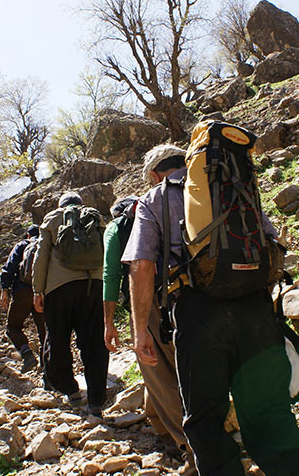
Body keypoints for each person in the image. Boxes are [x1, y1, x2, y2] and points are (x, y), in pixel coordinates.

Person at [123, 142, 299, 476]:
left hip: (198, 314)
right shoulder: (236, 185)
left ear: (155, 174)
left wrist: (141, 329)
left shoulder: (155, 198)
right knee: (270, 410)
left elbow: (141, 267)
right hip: (255, 306)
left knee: (203, 419)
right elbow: (272, 246)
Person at [104, 179, 190, 460]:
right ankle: (160, 425)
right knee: (167, 367)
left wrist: (109, 321)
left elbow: (112, 274)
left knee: (159, 371)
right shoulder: (164, 205)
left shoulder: (117, 228)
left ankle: (187, 444)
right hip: (179, 293)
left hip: (145, 302)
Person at [32, 191, 109, 417]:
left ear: (61, 205)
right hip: (94, 285)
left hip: (59, 288)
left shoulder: (53, 218)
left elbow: (41, 254)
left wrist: (38, 289)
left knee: (57, 340)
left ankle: (70, 390)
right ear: (80, 204)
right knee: (95, 342)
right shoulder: (95, 217)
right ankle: (96, 400)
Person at [0, 224, 46, 372]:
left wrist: (4, 289)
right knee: (45, 332)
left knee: (13, 327)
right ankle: (48, 372)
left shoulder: (22, 245)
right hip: (43, 293)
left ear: (27, 235)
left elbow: (9, 267)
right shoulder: (46, 245)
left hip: (23, 292)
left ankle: (27, 355)